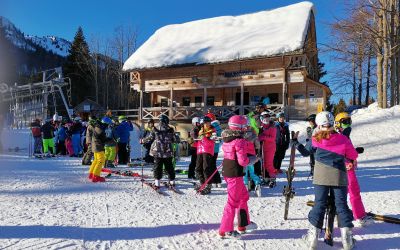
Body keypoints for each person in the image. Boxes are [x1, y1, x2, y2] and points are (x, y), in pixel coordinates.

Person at [293, 111, 358, 250]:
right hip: (339, 176)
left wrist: (296, 143)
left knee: (319, 204)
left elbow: (305, 153)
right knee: (341, 205)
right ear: (333, 123)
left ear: (318, 124)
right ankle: (347, 240)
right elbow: (353, 155)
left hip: (321, 176)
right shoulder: (342, 139)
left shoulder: (315, 138)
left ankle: (312, 239)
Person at [219, 115, 258, 239]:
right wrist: (254, 159)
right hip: (235, 173)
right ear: (240, 126)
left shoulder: (228, 137)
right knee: (233, 202)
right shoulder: (239, 140)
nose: (246, 127)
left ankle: (244, 224)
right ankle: (226, 230)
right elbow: (243, 161)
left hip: (229, 170)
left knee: (243, 196)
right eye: (245, 125)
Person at [335, 112, 374, 227]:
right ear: (338, 124)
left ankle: (347, 213)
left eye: (349, 121)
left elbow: (347, 150)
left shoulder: (344, 134)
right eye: (345, 122)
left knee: (348, 191)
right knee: (352, 190)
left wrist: (355, 150)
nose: (348, 124)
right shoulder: (338, 135)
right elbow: (339, 150)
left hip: (347, 166)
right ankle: (359, 216)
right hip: (344, 167)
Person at [140, 115, 178, 187]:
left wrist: (142, 140)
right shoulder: (171, 129)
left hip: (157, 151)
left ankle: (157, 182)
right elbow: (175, 139)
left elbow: (150, 138)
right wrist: (177, 138)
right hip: (168, 151)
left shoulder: (154, 128)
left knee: (158, 166)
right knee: (169, 166)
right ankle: (172, 181)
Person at [194, 116, 216, 195]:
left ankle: (208, 186)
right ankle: (202, 183)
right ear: (202, 124)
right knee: (198, 168)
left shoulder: (212, 131)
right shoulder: (201, 131)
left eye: (209, 123)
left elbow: (210, 143)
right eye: (206, 123)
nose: (208, 124)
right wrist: (193, 142)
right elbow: (200, 141)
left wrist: (203, 137)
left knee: (206, 168)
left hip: (208, 151)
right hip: (200, 151)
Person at [243, 116, 262, 197]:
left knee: (244, 172)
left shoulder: (240, 135)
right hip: (251, 156)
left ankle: (245, 185)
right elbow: (257, 146)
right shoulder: (253, 134)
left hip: (243, 156)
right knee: (252, 172)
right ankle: (257, 183)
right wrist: (257, 155)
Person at [258, 111, 277, 187]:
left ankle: (272, 178)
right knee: (263, 164)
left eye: (267, 119)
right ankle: (265, 178)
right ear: (261, 119)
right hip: (262, 148)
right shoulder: (260, 128)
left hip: (269, 148)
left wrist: (262, 137)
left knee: (268, 164)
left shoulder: (272, 127)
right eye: (264, 119)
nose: (266, 120)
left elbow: (272, 138)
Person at [247, 102, 264, 178]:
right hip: (256, 137)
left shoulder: (250, 115)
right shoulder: (258, 116)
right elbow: (259, 126)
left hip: (250, 136)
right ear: (258, 108)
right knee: (257, 155)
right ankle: (257, 173)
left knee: (251, 155)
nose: (263, 110)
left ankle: (252, 173)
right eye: (262, 108)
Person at [206, 113, 222, 188]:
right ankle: (217, 181)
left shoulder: (213, 126)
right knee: (213, 164)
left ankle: (214, 181)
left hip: (212, 148)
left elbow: (210, 136)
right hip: (216, 148)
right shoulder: (217, 125)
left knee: (211, 165)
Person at [88, 117, 107, 182]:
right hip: (98, 146)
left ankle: (92, 174)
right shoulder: (100, 129)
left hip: (95, 145)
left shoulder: (97, 127)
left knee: (96, 160)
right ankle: (96, 177)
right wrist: (111, 139)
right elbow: (104, 139)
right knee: (100, 161)